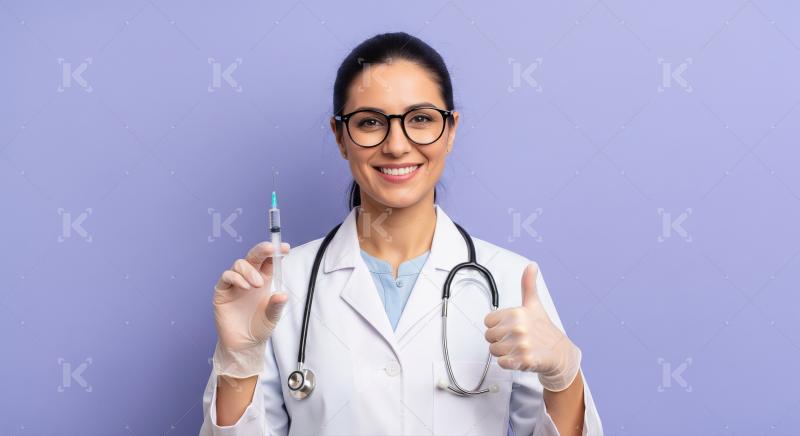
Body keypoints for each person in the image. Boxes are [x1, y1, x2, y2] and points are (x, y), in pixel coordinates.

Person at [200, 32, 603, 436]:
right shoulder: (281, 287)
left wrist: (563, 377)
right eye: (371, 122)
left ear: (451, 130)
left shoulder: (511, 280)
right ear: (340, 136)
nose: (396, 145)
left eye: (421, 119)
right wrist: (238, 363)